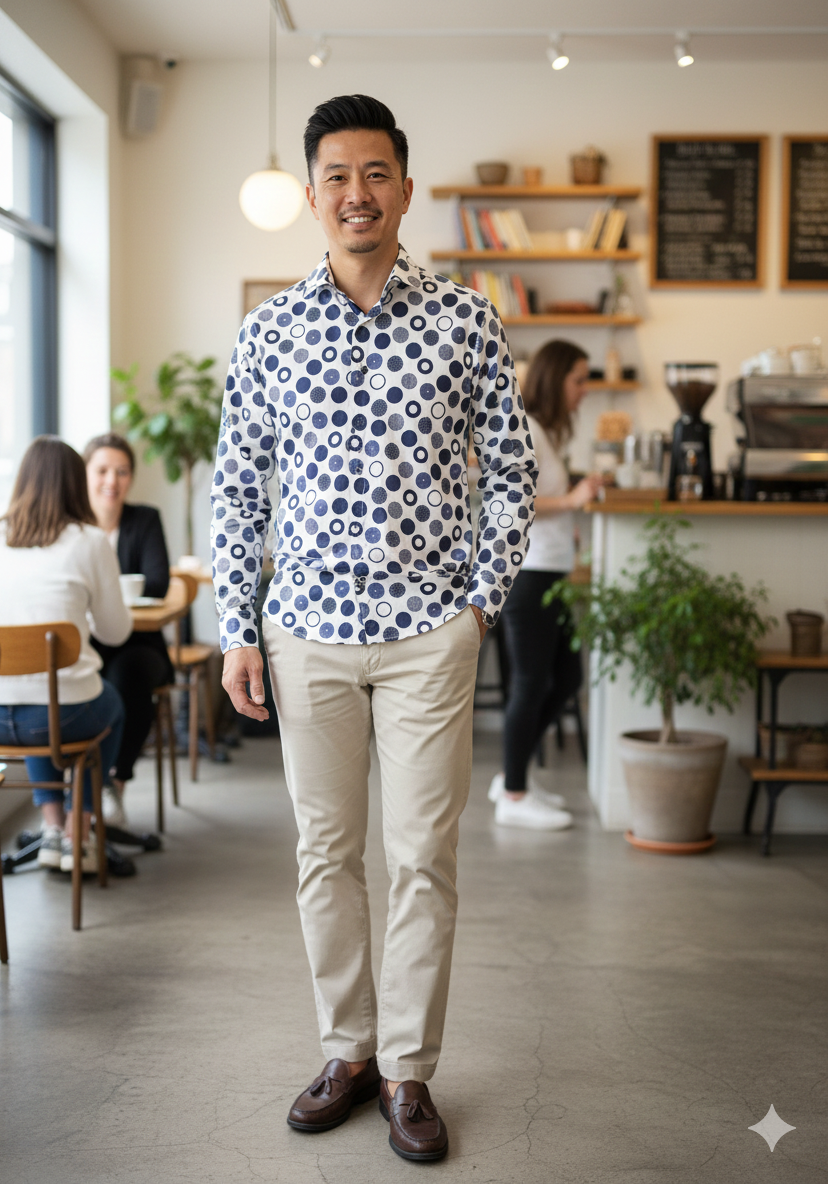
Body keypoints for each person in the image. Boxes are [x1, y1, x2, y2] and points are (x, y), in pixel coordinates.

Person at [212, 94, 538, 1162]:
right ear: (313, 194)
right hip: (304, 627)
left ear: (406, 184)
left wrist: (479, 601)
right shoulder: (268, 333)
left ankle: (408, 1068)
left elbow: (514, 468)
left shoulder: (466, 321)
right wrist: (238, 626)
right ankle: (347, 1048)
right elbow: (236, 492)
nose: (357, 193)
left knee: (424, 856)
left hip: (426, 634)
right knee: (324, 851)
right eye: (337, 176)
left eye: (376, 173)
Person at [0, 436, 130, 873]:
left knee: (40, 697)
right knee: (104, 703)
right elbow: (115, 633)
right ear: (77, 485)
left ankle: (52, 829)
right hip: (59, 716)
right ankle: (79, 831)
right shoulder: (90, 541)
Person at [488, 340, 602, 830]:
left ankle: (511, 778)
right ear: (556, 380)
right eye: (579, 379)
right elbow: (516, 501)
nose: (584, 389)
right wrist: (574, 498)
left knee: (567, 680)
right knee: (531, 684)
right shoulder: (527, 428)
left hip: (549, 573)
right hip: (527, 575)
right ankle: (514, 793)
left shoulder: (546, 432)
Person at [83, 433, 174, 827]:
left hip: (141, 644)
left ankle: (113, 784)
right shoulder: (75, 528)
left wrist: (104, 592)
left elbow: (156, 583)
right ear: (85, 475)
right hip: (87, 646)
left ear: (131, 478)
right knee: (77, 679)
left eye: (121, 472)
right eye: (102, 470)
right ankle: (79, 795)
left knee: (126, 677)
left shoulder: (144, 519)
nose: (111, 481)